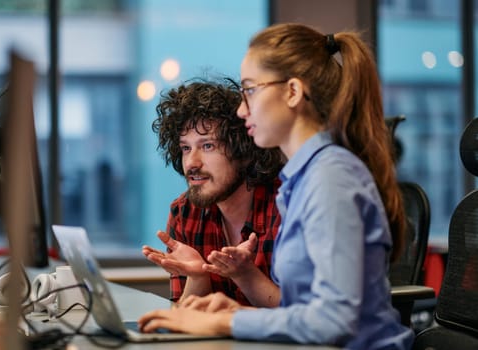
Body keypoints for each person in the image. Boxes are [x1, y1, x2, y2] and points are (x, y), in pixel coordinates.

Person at [138, 23, 415, 350]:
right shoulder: (301, 181)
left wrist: (227, 320)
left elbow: (336, 321)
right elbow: (305, 310)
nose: (242, 110)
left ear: (293, 92)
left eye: (251, 90)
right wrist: (237, 311)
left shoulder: (331, 179)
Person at [142, 78, 285, 307]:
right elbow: (185, 321)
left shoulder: (286, 207)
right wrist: (198, 277)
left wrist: (244, 274)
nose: (191, 163)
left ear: (244, 151)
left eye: (208, 146)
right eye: (186, 148)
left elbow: (303, 318)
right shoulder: (184, 212)